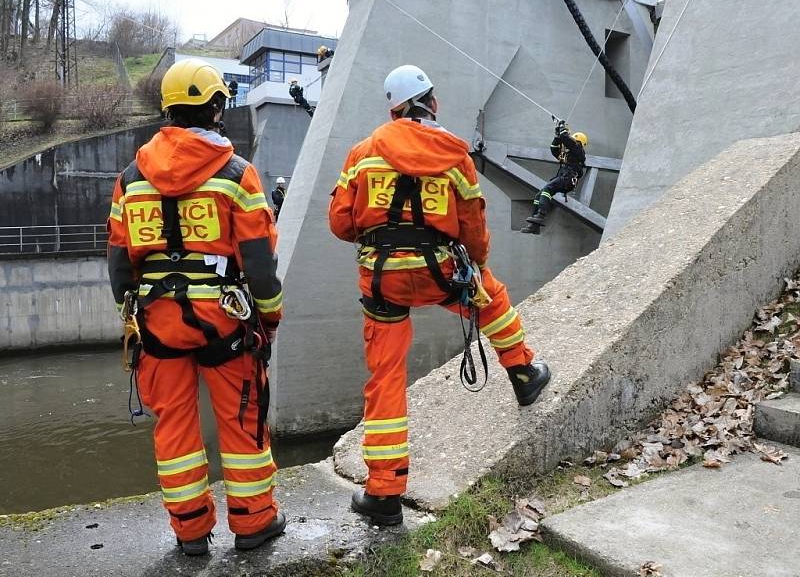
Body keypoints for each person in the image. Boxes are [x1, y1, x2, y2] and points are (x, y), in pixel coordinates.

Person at [328, 65, 550, 526]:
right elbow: (474, 227)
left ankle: (385, 494)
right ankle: (524, 373)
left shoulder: (362, 153)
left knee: (386, 376)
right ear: (432, 101)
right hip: (442, 270)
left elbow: (341, 224)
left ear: (394, 109)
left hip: (383, 278)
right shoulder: (455, 155)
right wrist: (477, 266)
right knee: (491, 297)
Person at [106, 58, 285, 556]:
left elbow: (119, 264)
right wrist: (268, 318)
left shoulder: (130, 179)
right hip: (225, 322)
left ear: (168, 111)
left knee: (175, 428)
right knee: (242, 419)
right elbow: (260, 264)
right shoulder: (237, 175)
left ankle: (189, 533)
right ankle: (253, 524)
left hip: (158, 325)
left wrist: (132, 314)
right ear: (214, 107)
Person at [522, 121, 588, 232]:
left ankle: (541, 215)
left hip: (567, 178)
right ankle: (535, 225)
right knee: (539, 194)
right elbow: (554, 149)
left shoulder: (578, 150)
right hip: (565, 178)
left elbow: (567, 139)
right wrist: (557, 137)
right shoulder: (569, 155)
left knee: (548, 189)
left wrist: (562, 129)